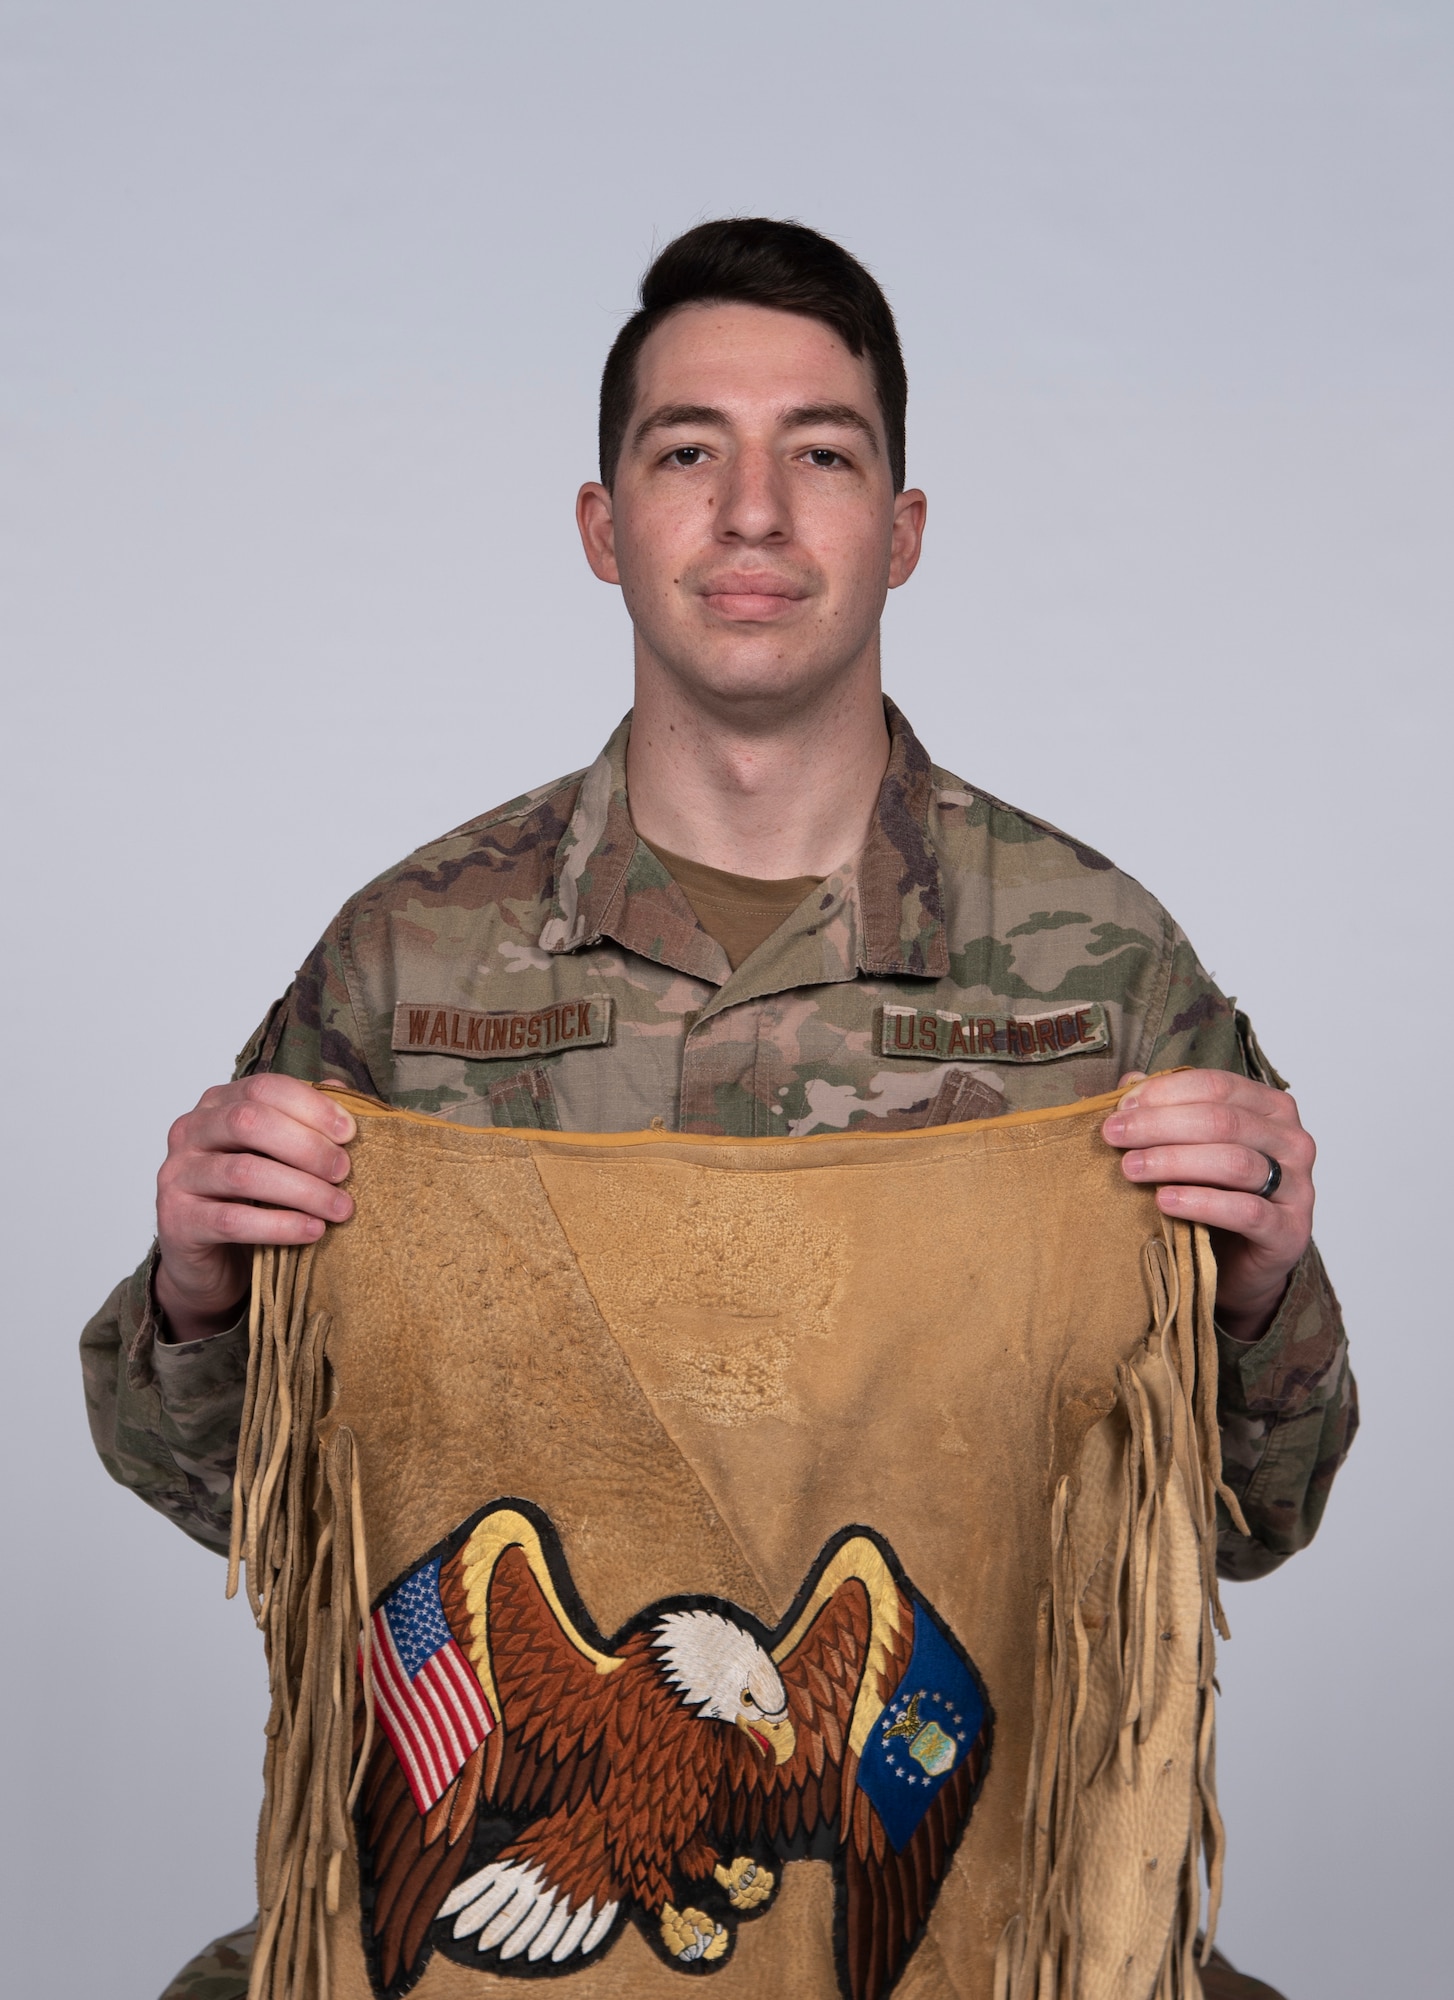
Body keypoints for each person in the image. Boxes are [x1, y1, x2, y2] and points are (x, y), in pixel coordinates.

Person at [84, 219, 1353, 2000]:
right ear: (605, 528)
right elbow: (250, 1512)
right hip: (530, 1888)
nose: (752, 511)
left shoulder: (1104, 973)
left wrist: (1259, 1291)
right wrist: (203, 1292)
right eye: (689, 451)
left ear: (898, 532)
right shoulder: (406, 957)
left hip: (976, 1920)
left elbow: (1241, 1527)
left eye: (820, 453)